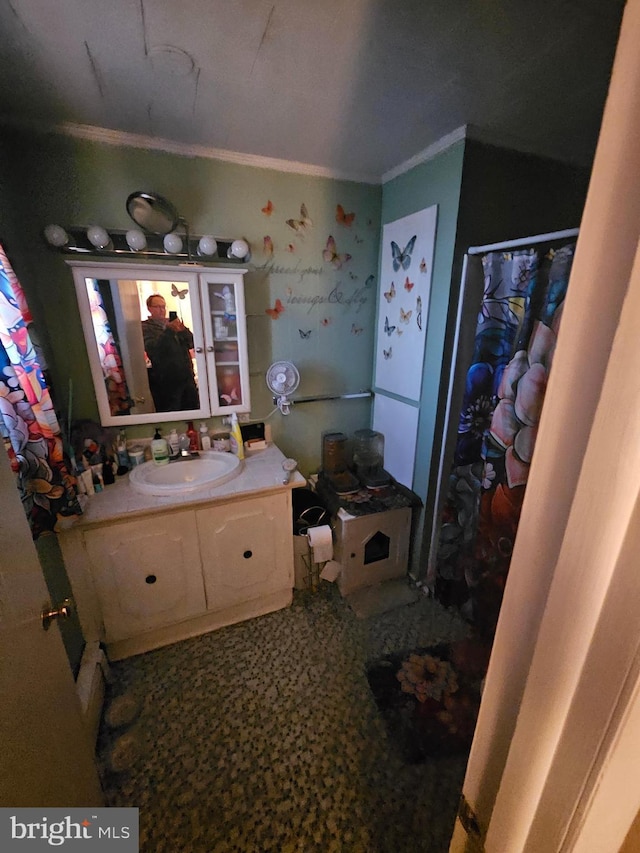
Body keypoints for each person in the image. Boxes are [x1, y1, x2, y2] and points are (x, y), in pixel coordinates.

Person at [142, 295, 199, 411]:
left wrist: (183, 330)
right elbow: (154, 349)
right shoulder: (145, 327)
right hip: (167, 383)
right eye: (157, 306)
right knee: (172, 413)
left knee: (193, 411)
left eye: (163, 306)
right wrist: (168, 330)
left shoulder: (174, 324)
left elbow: (193, 343)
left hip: (187, 379)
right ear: (149, 308)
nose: (161, 310)